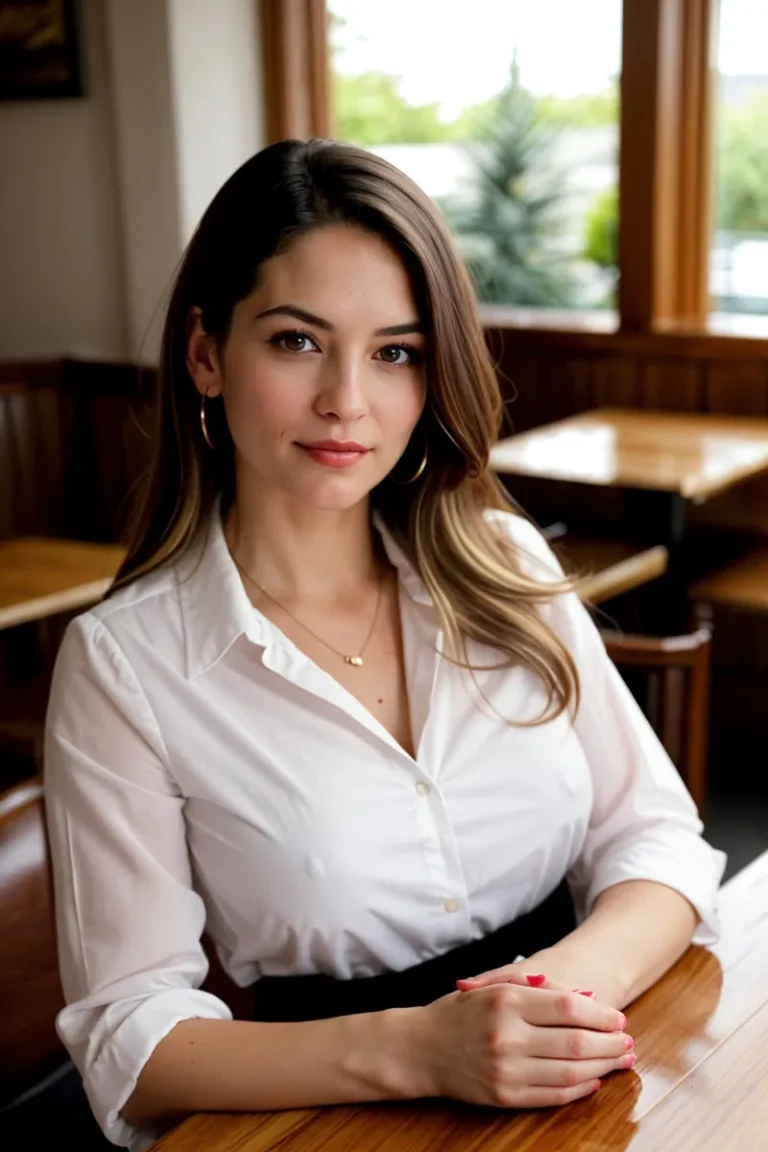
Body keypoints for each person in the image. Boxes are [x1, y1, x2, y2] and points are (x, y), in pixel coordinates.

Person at [45, 139, 725, 1151]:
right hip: (321, 1112)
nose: (348, 403)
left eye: (396, 352)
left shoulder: (499, 559)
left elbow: (658, 838)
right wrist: (423, 1048)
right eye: (296, 342)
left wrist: (551, 999)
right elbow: (131, 1037)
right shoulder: (125, 663)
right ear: (205, 352)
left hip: (582, 1075)